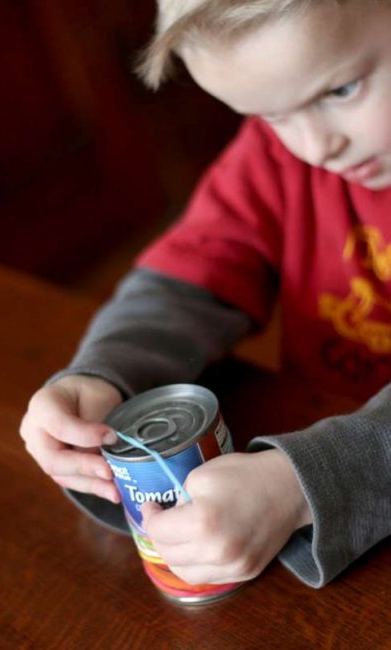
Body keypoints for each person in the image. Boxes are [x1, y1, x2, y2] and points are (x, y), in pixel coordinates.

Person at [20, 0, 391, 589]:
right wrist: (104, 374)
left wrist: (301, 486)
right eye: (271, 116)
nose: (316, 148)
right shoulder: (281, 158)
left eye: (340, 90)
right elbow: (192, 273)